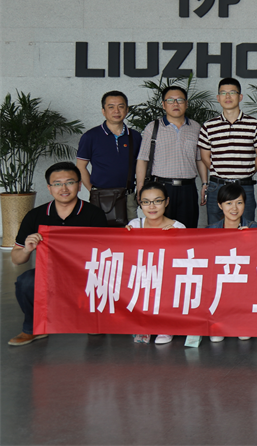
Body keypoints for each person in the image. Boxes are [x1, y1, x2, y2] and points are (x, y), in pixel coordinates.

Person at [8, 162, 109, 347]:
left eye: (70, 182)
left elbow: (106, 253)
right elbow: (16, 259)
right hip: (50, 273)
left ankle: (92, 317)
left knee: (104, 281)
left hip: (85, 274)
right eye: (57, 184)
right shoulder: (35, 215)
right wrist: (27, 249)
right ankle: (33, 328)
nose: (64, 188)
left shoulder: (94, 214)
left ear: (79, 185)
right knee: (25, 281)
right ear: (49, 188)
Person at [135, 85, 207, 228]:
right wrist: (140, 187)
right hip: (161, 188)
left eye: (180, 100)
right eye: (170, 100)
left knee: (187, 230)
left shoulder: (196, 127)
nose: (175, 104)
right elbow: (142, 159)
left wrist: (205, 183)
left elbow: (200, 159)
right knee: (160, 230)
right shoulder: (153, 127)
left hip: (188, 189)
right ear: (163, 104)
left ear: (186, 103)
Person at [126, 183, 186, 346]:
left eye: (157, 201)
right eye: (146, 202)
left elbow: (182, 263)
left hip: (166, 279)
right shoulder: (135, 224)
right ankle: (144, 323)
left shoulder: (178, 227)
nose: (151, 206)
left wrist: (174, 238)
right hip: (142, 278)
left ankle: (165, 325)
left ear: (166, 202)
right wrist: (125, 238)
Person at [198, 78, 257, 227]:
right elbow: (205, 156)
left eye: (232, 92)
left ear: (240, 97)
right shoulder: (208, 126)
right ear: (218, 97)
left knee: (246, 228)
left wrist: (246, 172)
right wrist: (219, 171)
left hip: (244, 185)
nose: (228, 96)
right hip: (217, 185)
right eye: (223, 93)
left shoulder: (254, 125)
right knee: (214, 229)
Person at [76, 90, 143, 225]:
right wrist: (92, 190)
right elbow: (80, 167)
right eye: (111, 107)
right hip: (101, 197)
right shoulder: (90, 136)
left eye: (121, 106)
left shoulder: (135, 136)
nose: (116, 111)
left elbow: (141, 166)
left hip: (128, 197)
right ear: (103, 111)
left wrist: (140, 190)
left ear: (127, 110)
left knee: (130, 233)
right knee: (101, 234)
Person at [206, 183, 257, 342]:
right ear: (219, 205)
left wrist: (252, 239)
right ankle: (219, 321)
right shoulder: (210, 231)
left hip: (244, 285)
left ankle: (242, 320)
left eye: (239, 202)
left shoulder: (254, 227)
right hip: (220, 285)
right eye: (229, 203)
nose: (234, 208)